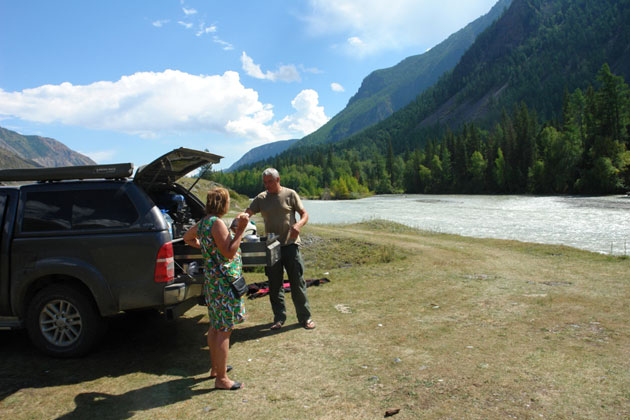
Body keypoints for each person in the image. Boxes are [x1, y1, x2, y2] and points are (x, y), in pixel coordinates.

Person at [183, 187, 249, 391]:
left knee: (215, 326)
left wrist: (205, 247)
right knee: (224, 329)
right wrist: (240, 230)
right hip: (224, 284)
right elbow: (229, 253)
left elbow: (187, 237)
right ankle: (221, 379)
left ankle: (215, 368)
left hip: (213, 282)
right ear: (224, 204)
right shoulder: (217, 223)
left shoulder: (204, 223)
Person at [246, 168, 315, 330]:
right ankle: (279, 318)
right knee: (275, 284)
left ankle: (305, 318)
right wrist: (241, 219)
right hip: (272, 244)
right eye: (265, 182)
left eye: (270, 181)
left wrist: (298, 224)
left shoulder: (290, 194)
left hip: (291, 243)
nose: (267, 185)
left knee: (297, 282)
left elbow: (304, 214)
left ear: (278, 180)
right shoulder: (261, 198)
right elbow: (247, 213)